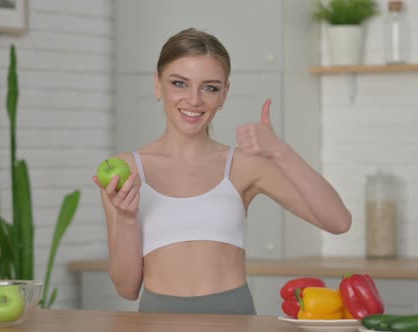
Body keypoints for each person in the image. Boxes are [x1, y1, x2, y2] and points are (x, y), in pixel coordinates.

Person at [92, 27, 351, 315]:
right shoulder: (126, 170)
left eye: (209, 87)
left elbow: (338, 221)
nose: (194, 99)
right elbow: (127, 289)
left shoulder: (244, 165)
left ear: (224, 93)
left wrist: (281, 152)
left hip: (234, 318)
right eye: (179, 83)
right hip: (158, 320)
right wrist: (127, 218)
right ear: (157, 84)